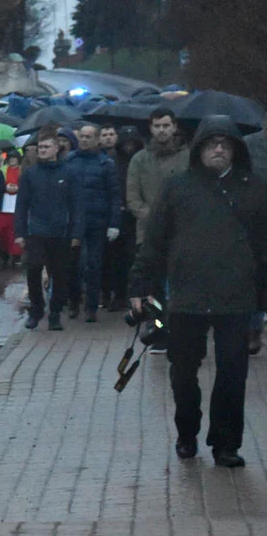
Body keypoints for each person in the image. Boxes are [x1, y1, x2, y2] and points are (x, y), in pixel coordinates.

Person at [129, 115, 267, 468]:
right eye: (211, 143)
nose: (218, 149)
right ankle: (187, 432)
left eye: (225, 144)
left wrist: (261, 299)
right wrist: (141, 285)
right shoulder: (178, 188)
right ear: (199, 148)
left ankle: (226, 443)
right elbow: (155, 241)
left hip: (236, 296)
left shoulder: (254, 189)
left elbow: (263, 247)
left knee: (233, 373)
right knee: (183, 371)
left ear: (236, 149)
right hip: (187, 296)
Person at [127, 108, 190, 353]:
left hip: (183, 234)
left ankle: (182, 332)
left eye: (166, 125)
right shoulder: (140, 159)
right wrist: (155, 221)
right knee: (153, 292)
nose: (162, 130)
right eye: (157, 126)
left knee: (180, 288)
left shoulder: (188, 157)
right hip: (149, 235)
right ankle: (160, 331)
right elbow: (133, 198)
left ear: (174, 127)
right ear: (151, 128)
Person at [14, 127, 83, 331]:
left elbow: (77, 205)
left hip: (61, 231)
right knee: (33, 268)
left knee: (59, 274)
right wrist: (19, 232)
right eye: (40, 147)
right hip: (36, 230)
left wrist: (76, 232)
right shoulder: (30, 174)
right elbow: (21, 204)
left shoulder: (68, 173)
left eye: (46, 147)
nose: (42, 150)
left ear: (56, 148)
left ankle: (55, 313)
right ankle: (36, 309)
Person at [65, 123, 121, 322]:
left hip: (97, 221)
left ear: (97, 140)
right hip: (73, 222)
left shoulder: (106, 164)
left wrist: (114, 223)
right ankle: (73, 302)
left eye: (89, 137)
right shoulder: (70, 161)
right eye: (82, 136)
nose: (84, 140)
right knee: (74, 265)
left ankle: (91, 306)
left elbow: (114, 195)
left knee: (94, 265)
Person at [101, 126, 143, 311]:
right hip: (118, 215)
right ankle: (119, 295)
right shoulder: (113, 162)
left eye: (132, 143)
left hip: (137, 215)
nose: (129, 147)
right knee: (116, 259)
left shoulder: (141, 161)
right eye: (126, 143)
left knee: (134, 257)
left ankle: (133, 295)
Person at [0, 150, 23, 265]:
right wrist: (5, 187)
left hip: (17, 206)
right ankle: (4, 251)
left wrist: (18, 188)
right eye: (10, 157)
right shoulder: (2, 171)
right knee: (0, 229)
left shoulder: (23, 171)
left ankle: (16, 255)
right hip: (3, 206)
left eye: (14, 158)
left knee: (14, 232)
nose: (12, 160)